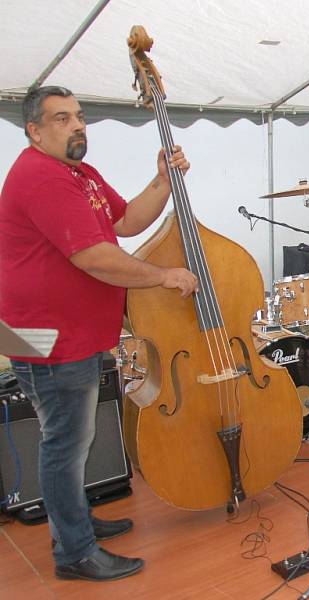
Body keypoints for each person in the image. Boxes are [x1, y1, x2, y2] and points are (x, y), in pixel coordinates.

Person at [0, 86, 198, 581]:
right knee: (64, 441)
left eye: (81, 116)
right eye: (63, 118)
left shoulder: (78, 173)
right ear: (35, 131)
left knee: (74, 437)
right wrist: (162, 275)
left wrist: (163, 180)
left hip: (72, 332)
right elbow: (93, 257)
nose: (78, 125)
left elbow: (127, 220)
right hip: (45, 336)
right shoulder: (41, 177)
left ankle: (76, 523)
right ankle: (74, 551)